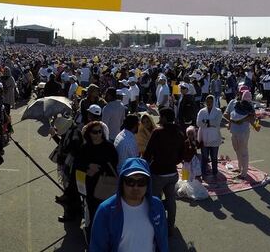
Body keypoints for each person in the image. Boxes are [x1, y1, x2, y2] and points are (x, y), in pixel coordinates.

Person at [89, 157, 169, 252]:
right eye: (130, 181)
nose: (136, 187)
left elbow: (163, 241)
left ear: (148, 183)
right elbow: (97, 247)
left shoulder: (157, 205)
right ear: (122, 183)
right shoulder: (106, 210)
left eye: (141, 182)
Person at [143, 107, 186, 237]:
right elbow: (181, 155)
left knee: (154, 201)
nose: (159, 119)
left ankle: (156, 226)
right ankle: (170, 226)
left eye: (161, 116)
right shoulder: (179, 133)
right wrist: (172, 162)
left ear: (165, 118)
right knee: (171, 201)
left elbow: (147, 154)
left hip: (158, 173)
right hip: (172, 173)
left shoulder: (157, 132)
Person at [76, 120, 119, 235]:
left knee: (107, 211)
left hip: (106, 185)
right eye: (95, 132)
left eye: (100, 132)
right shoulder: (85, 148)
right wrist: (88, 167)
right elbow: (78, 164)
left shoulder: (109, 146)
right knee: (93, 211)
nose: (98, 134)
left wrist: (100, 168)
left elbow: (114, 163)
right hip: (90, 185)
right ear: (89, 133)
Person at [196, 94, 223, 178]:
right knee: (204, 157)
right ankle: (203, 173)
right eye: (207, 101)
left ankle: (215, 172)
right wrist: (210, 123)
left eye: (211, 101)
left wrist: (206, 122)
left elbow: (217, 122)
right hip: (204, 138)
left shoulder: (218, 111)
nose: (209, 103)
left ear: (214, 102)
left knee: (214, 157)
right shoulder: (202, 111)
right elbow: (198, 123)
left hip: (214, 138)